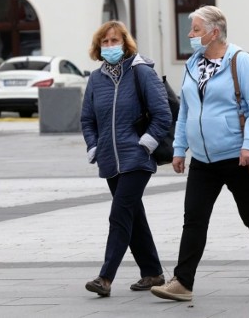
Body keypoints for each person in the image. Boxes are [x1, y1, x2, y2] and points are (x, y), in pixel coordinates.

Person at [150, 6, 249, 302]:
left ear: (214, 32)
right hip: (202, 159)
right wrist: (179, 149)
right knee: (194, 219)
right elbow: (185, 109)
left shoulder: (240, 61)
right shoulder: (192, 64)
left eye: (196, 30)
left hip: (236, 156)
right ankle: (183, 283)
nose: (190, 35)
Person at [81, 20, 172, 297]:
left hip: (137, 158)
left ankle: (105, 278)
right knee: (134, 215)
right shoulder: (96, 79)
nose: (110, 46)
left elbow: (163, 114)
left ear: (125, 43)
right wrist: (94, 146)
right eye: (105, 42)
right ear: (99, 47)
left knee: (119, 214)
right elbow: (87, 119)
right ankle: (153, 273)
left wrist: (145, 143)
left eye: (114, 41)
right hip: (109, 160)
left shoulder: (140, 72)